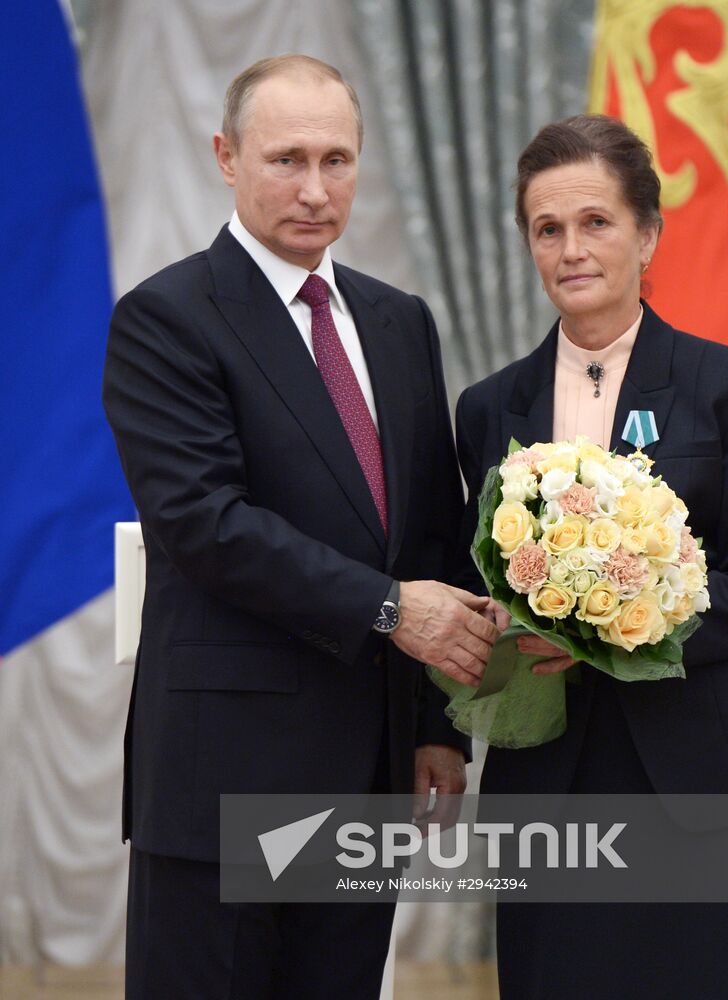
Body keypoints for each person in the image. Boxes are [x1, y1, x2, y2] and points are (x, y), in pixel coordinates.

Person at [102, 54, 499, 999]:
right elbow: (206, 524)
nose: (315, 190)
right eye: (286, 160)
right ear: (226, 157)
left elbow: (432, 533)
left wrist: (438, 726)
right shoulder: (165, 317)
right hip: (224, 779)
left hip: (369, 772)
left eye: (338, 160)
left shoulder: (400, 321)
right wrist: (392, 608)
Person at [454, 114, 728, 999]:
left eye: (597, 222)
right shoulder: (485, 409)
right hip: (553, 780)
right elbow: (469, 586)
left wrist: (617, 632)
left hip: (712, 773)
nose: (571, 249)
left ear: (648, 233)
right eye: (548, 229)